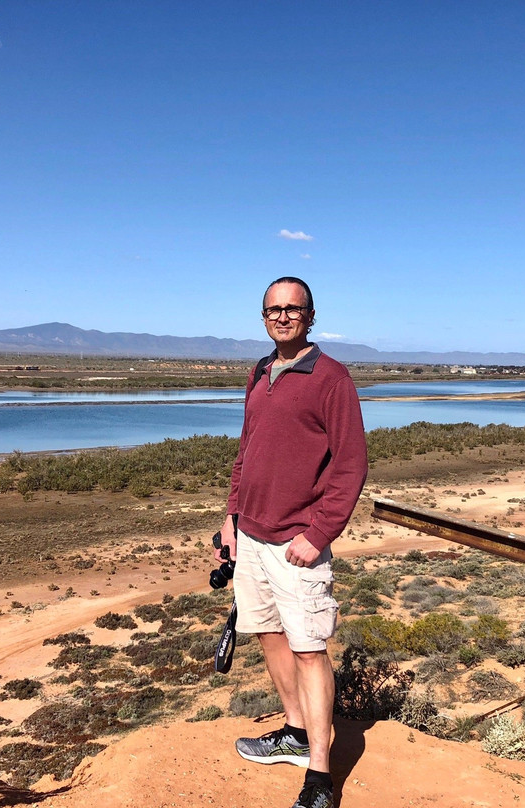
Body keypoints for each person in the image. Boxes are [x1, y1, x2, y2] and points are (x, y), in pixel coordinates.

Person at [217, 276, 368, 808]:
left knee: (309, 649)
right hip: (251, 538)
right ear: (263, 316)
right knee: (268, 635)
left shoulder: (332, 378)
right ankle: (296, 733)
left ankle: (321, 778)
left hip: (296, 543)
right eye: (273, 309)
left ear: (310, 315)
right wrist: (232, 518)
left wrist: (319, 532)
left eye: (293, 309)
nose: (283, 317)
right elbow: (246, 452)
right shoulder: (260, 372)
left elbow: (351, 466)